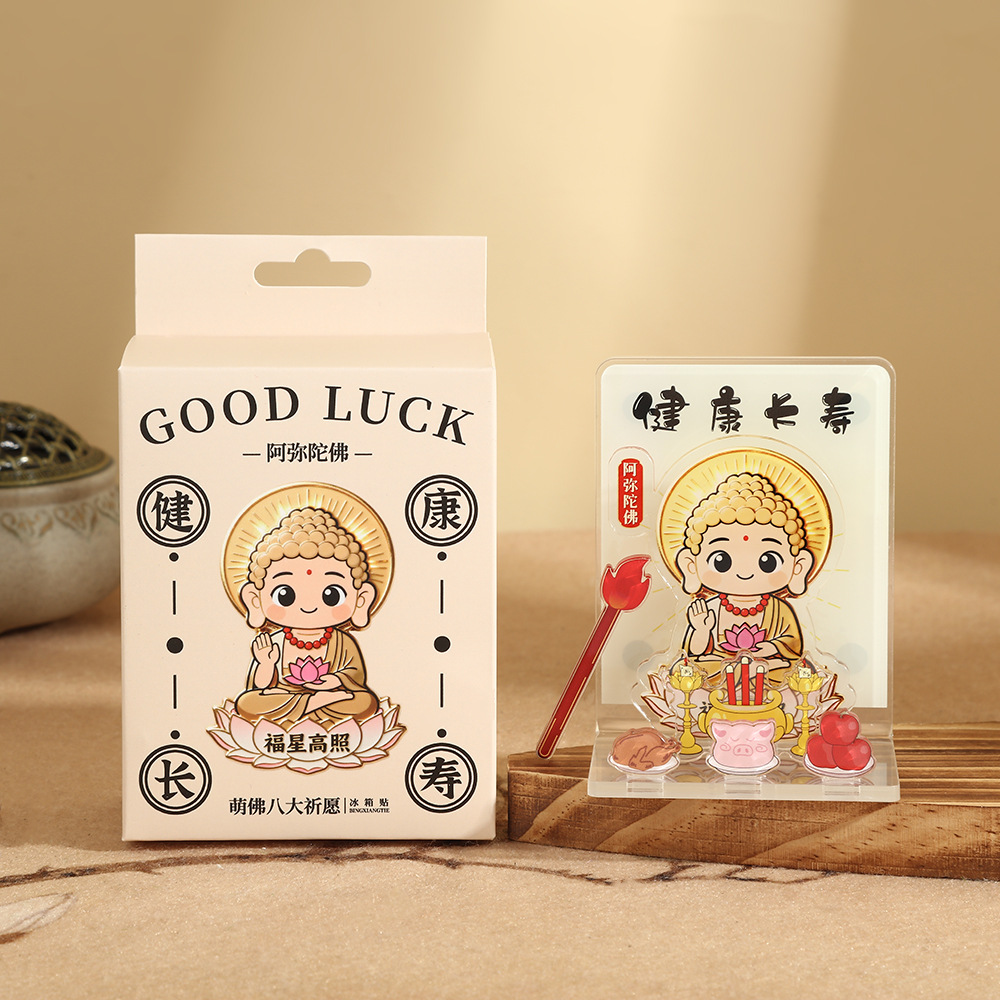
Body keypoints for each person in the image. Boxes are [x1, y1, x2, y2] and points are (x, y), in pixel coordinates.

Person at [234, 506, 380, 728]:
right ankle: (314, 703)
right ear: (255, 600)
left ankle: (311, 705)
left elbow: (355, 679)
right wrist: (266, 663)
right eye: (285, 595)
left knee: (365, 702)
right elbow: (260, 687)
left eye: (331, 595)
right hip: (289, 698)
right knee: (248, 703)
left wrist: (336, 680)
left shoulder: (342, 642)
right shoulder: (274, 641)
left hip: (331, 695)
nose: (309, 606)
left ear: (361, 600)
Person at [672, 472, 816, 685]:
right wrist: (701, 629)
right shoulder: (710, 607)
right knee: (688, 670)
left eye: (768, 562)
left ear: (798, 566)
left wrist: (772, 647)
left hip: (768, 667)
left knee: (795, 670)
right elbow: (693, 655)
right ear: (690, 565)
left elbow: (793, 647)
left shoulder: (780, 610)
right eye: (721, 561)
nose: (745, 572)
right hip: (721, 668)